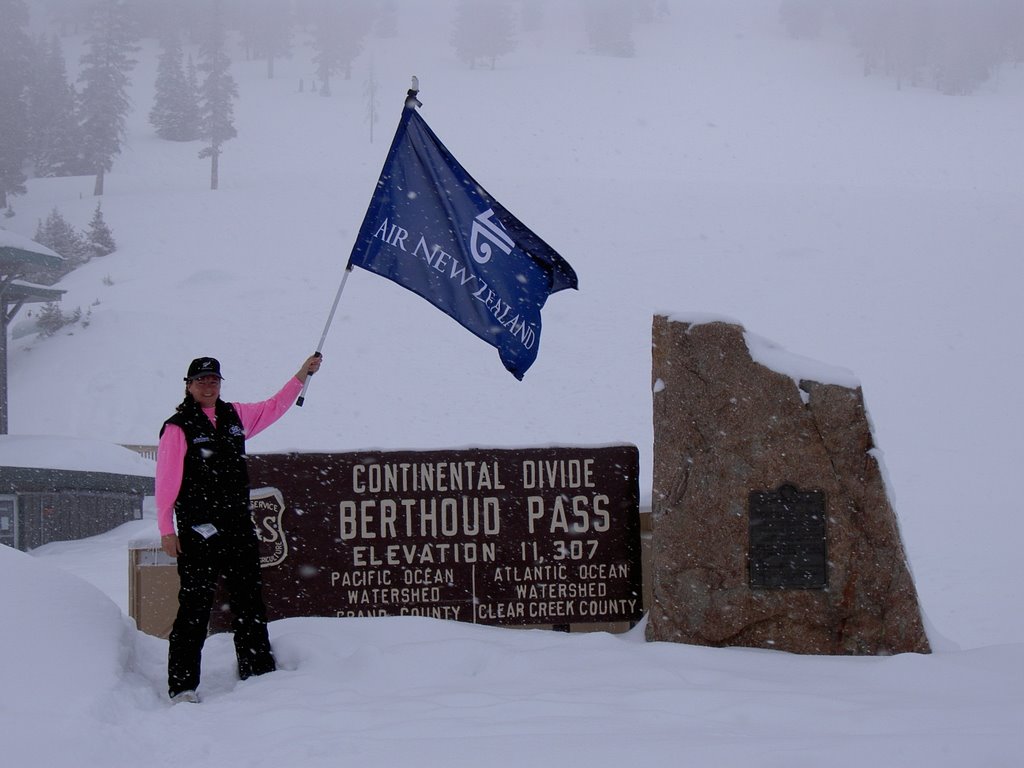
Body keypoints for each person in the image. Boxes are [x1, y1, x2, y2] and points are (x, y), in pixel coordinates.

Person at [156, 353, 323, 704]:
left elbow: (275, 406)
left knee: (249, 603)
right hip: (198, 530)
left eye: (214, 380)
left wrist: (301, 373)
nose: (208, 385)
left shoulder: (235, 417)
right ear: (188, 386)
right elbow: (166, 482)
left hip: (237, 526)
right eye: (201, 380)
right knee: (194, 608)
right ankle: (183, 686)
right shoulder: (178, 426)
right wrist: (166, 530)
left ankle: (258, 671)